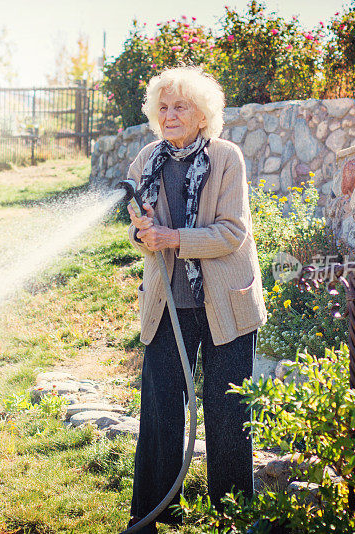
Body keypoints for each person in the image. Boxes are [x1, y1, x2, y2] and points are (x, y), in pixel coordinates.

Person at [124, 66, 268, 533]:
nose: (169, 115)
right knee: (162, 407)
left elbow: (232, 232)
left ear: (202, 113)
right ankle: (154, 512)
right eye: (162, 107)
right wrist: (143, 234)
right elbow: (137, 228)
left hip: (225, 302)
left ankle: (233, 515)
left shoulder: (227, 158)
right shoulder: (146, 159)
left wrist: (173, 237)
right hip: (168, 302)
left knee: (228, 411)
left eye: (179, 106)